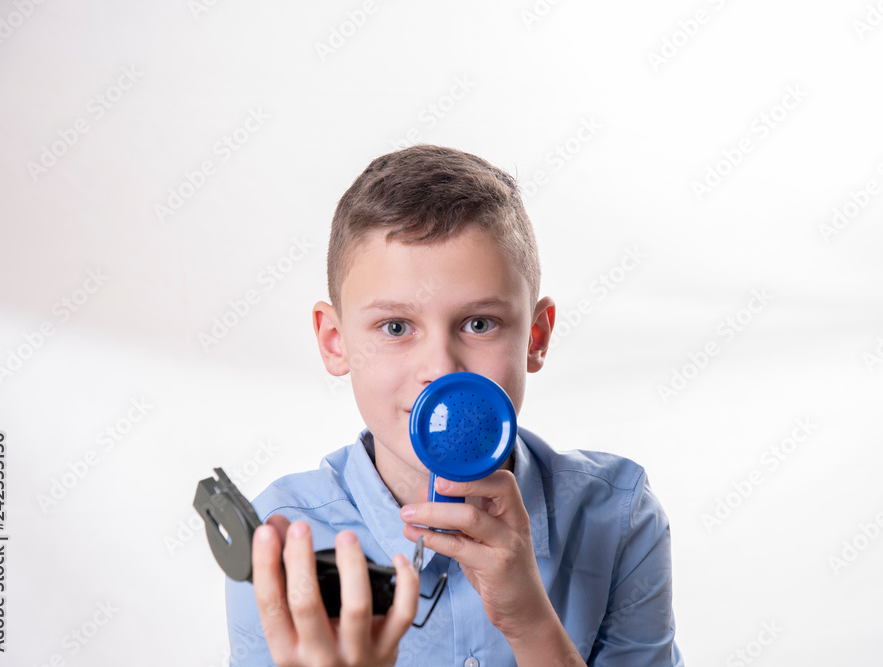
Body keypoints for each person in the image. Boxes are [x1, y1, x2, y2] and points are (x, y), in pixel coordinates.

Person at [225, 145, 684, 666]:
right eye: (396, 327)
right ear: (336, 342)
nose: (441, 369)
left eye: (479, 324)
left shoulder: (617, 517)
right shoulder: (283, 541)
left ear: (535, 338)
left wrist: (530, 623)